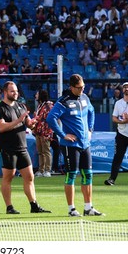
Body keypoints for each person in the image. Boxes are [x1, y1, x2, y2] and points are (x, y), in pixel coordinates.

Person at [47, 74, 104, 217]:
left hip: (85, 143)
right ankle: (71, 209)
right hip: (70, 145)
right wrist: (62, 134)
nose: (82, 89)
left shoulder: (85, 98)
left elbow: (91, 112)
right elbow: (50, 118)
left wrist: (90, 129)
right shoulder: (63, 102)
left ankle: (88, 207)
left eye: (83, 86)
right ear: (72, 87)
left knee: (88, 175)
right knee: (71, 175)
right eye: (79, 88)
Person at [0, 81, 51, 215]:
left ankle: (34, 205)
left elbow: (28, 124)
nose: (15, 93)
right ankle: (9, 207)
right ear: (5, 92)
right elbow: (1, 127)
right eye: (12, 91)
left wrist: (33, 123)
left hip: (21, 147)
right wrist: (19, 120)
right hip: (7, 148)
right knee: (8, 177)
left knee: (29, 177)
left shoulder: (21, 106)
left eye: (16, 91)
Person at [104, 82, 128, 185]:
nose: (126, 89)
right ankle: (112, 179)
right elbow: (114, 118)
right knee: (118, 157)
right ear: (122, 90)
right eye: (125, 87)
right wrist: (122, 121)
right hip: (121, 134)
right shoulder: (118, 103)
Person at [33, 89, 54, 178]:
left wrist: (49, 133)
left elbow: (51, 120)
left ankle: (48, 170)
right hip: (38, 131)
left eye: (37, 94)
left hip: (45, 132)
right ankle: (41, 170)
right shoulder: (39, 106)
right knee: (40, 152)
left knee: (46, 151)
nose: (36, 95)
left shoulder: (48, 106)